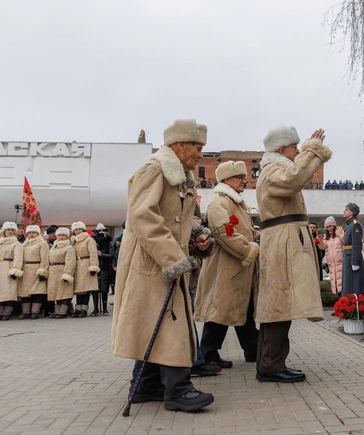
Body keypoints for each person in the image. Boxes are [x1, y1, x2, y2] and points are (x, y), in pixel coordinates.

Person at [111, 119, 214, 412]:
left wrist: (197, 240)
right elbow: (143, 216)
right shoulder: (155, 170)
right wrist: (175, 258)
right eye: (197, 147)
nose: (200, 154)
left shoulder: (178, 176)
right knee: (172, 322)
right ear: (179, 146)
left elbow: (176, 223)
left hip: (163, 259)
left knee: (153, 321)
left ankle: (145, 385)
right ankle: (178, 390)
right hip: (152, 261)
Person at [255, 125, 332, 383]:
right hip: (282, 242)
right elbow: (294, 178)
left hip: (284, 240)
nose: (297, 151)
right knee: (278, 303)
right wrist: (313, 149)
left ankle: (272, 363)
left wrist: (309, 150)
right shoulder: (273, 172)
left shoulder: (274, 169)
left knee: (280, 303)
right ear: (281, 149)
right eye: (294, 148)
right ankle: (270, 365)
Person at [196, 161, 260, 369]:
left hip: (236, 266)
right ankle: (208, 353)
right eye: (239, 177)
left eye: (243, 177)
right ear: (226, 180)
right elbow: (225, 232)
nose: (244, 180)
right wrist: (247, 249)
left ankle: (252, 348)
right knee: (220, 310)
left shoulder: (233, 201)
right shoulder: (219, 203)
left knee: (242, 307)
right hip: (226, 266)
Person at [18, 225, 49, 319]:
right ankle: (25, 311)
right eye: (29, 233)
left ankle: (35, 311)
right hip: (26, 270)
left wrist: (43, 271)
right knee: (25, 291)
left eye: (33, 233)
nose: (31, 235)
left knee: (37, 291)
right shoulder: (24, 244)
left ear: (38, 233)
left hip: (36, 268)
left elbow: (45, 258)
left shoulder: (42, 244)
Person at [70, 221, 100, 318]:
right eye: (75, 230)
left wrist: (93, 266)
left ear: (83, 229)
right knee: (78, 289)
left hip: (86, 263)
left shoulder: (89, 240)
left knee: (85, 288)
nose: (78, 231)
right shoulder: (73, 241)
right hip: (77, 265)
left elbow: (93, 253)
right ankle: (78, 308)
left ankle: (84, 309)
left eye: (79, 229)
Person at [47, 228, 76, 319]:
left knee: (64, 292)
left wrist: (67, 273)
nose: (61, 237)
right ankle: (57, 310)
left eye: (63, 235)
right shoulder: (54, 246)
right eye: (59, 235)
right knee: (56, 292)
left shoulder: (69, 248)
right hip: (53, 271)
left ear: (67, 236)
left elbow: (70, 262)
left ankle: (63, 311)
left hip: (62, 270)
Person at [341, 203, 364, 295]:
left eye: (347, 209)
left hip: (352, 256)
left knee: (354, 285)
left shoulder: (355, 225)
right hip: (348, 255)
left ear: (352, 213)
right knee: (348, 285)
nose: (344, 211)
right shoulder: (349, 225)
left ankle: (355, 305)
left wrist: (355, 261)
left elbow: (356, 244)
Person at [0, 222, 23, 320]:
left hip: (8, 267)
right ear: (4, 231)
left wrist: (15, 269)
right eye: (8, 230)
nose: (9, 232)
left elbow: (18, 258)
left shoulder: (16, 244)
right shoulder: (1, 242)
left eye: (12, 230)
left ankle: (7, 312)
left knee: (9, 290)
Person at [317, 216, 343, 295]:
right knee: (334, 283)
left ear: (334, 226)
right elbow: (323, 247)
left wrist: (339, 234)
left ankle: (342, 298)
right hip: (331, 264)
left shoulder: (340, 232)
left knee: (341, 282)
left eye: (331, 226)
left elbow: (346, 241)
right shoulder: (327, 237)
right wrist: (320, 240)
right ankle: (338, 300)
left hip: (340, 262)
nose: (329, 229)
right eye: (327, 227)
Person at [92, 223, 113, 316]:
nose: (101, 233)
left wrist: (101, 254)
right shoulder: (92, 241)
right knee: (95, 289)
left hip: (105, 267)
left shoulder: (109, 241)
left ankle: (104, 308)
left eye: (103, 231)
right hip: (94, 267)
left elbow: (112, 255)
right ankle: (95, 308)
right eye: (99, 231)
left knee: (104, 288)